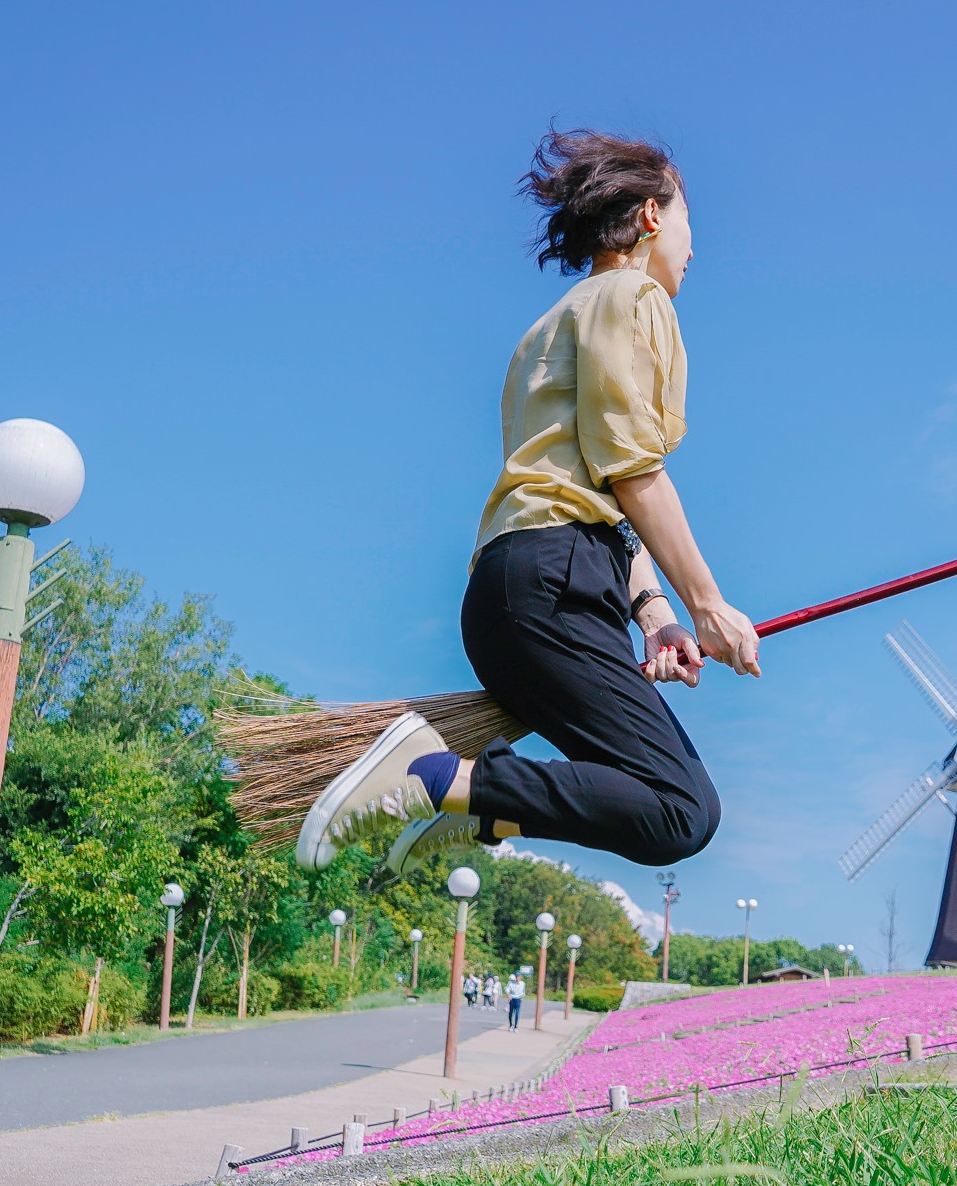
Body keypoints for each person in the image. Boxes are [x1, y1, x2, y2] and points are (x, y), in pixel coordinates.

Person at [297, 129, 761, 879]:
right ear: (649, 216)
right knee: (681, 808)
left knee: (676, 809)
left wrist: (657, 617)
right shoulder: (632, 296)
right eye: (687, 223)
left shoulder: (556, 322)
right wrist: (707, 604)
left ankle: (480, 804)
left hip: (523, 593)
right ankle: (435, 779)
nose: (694, 248)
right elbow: (633, 470)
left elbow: (594, 486)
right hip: (554, 587)